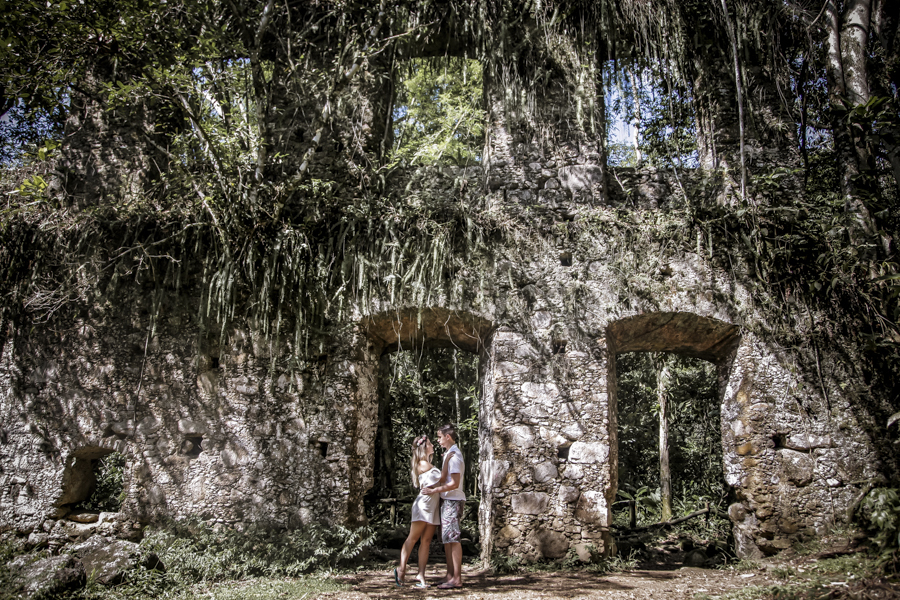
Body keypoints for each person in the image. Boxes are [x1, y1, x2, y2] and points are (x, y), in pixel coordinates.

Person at [394, 434, 446, 588]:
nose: (432, 446)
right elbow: (442, 478)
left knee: (427, 541)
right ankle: (401, 569)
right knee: (413, 538)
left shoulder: (428, 464)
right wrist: (448, 458)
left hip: (432, 506)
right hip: (423, 506)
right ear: (424, 447)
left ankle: (421, 575)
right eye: (430, 443)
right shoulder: (422, 464)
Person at [422, 423, 465, 589]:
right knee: (447, 539)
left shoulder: (455, 456)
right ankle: (450, 575)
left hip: (453, 500)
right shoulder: (449, 454)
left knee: (453, 538)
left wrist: (434, 490)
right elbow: (444, 476)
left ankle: (457, 578)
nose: (438, 440)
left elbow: (454, 483)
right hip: (448, 500)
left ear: (448, 437)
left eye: (439, 437)